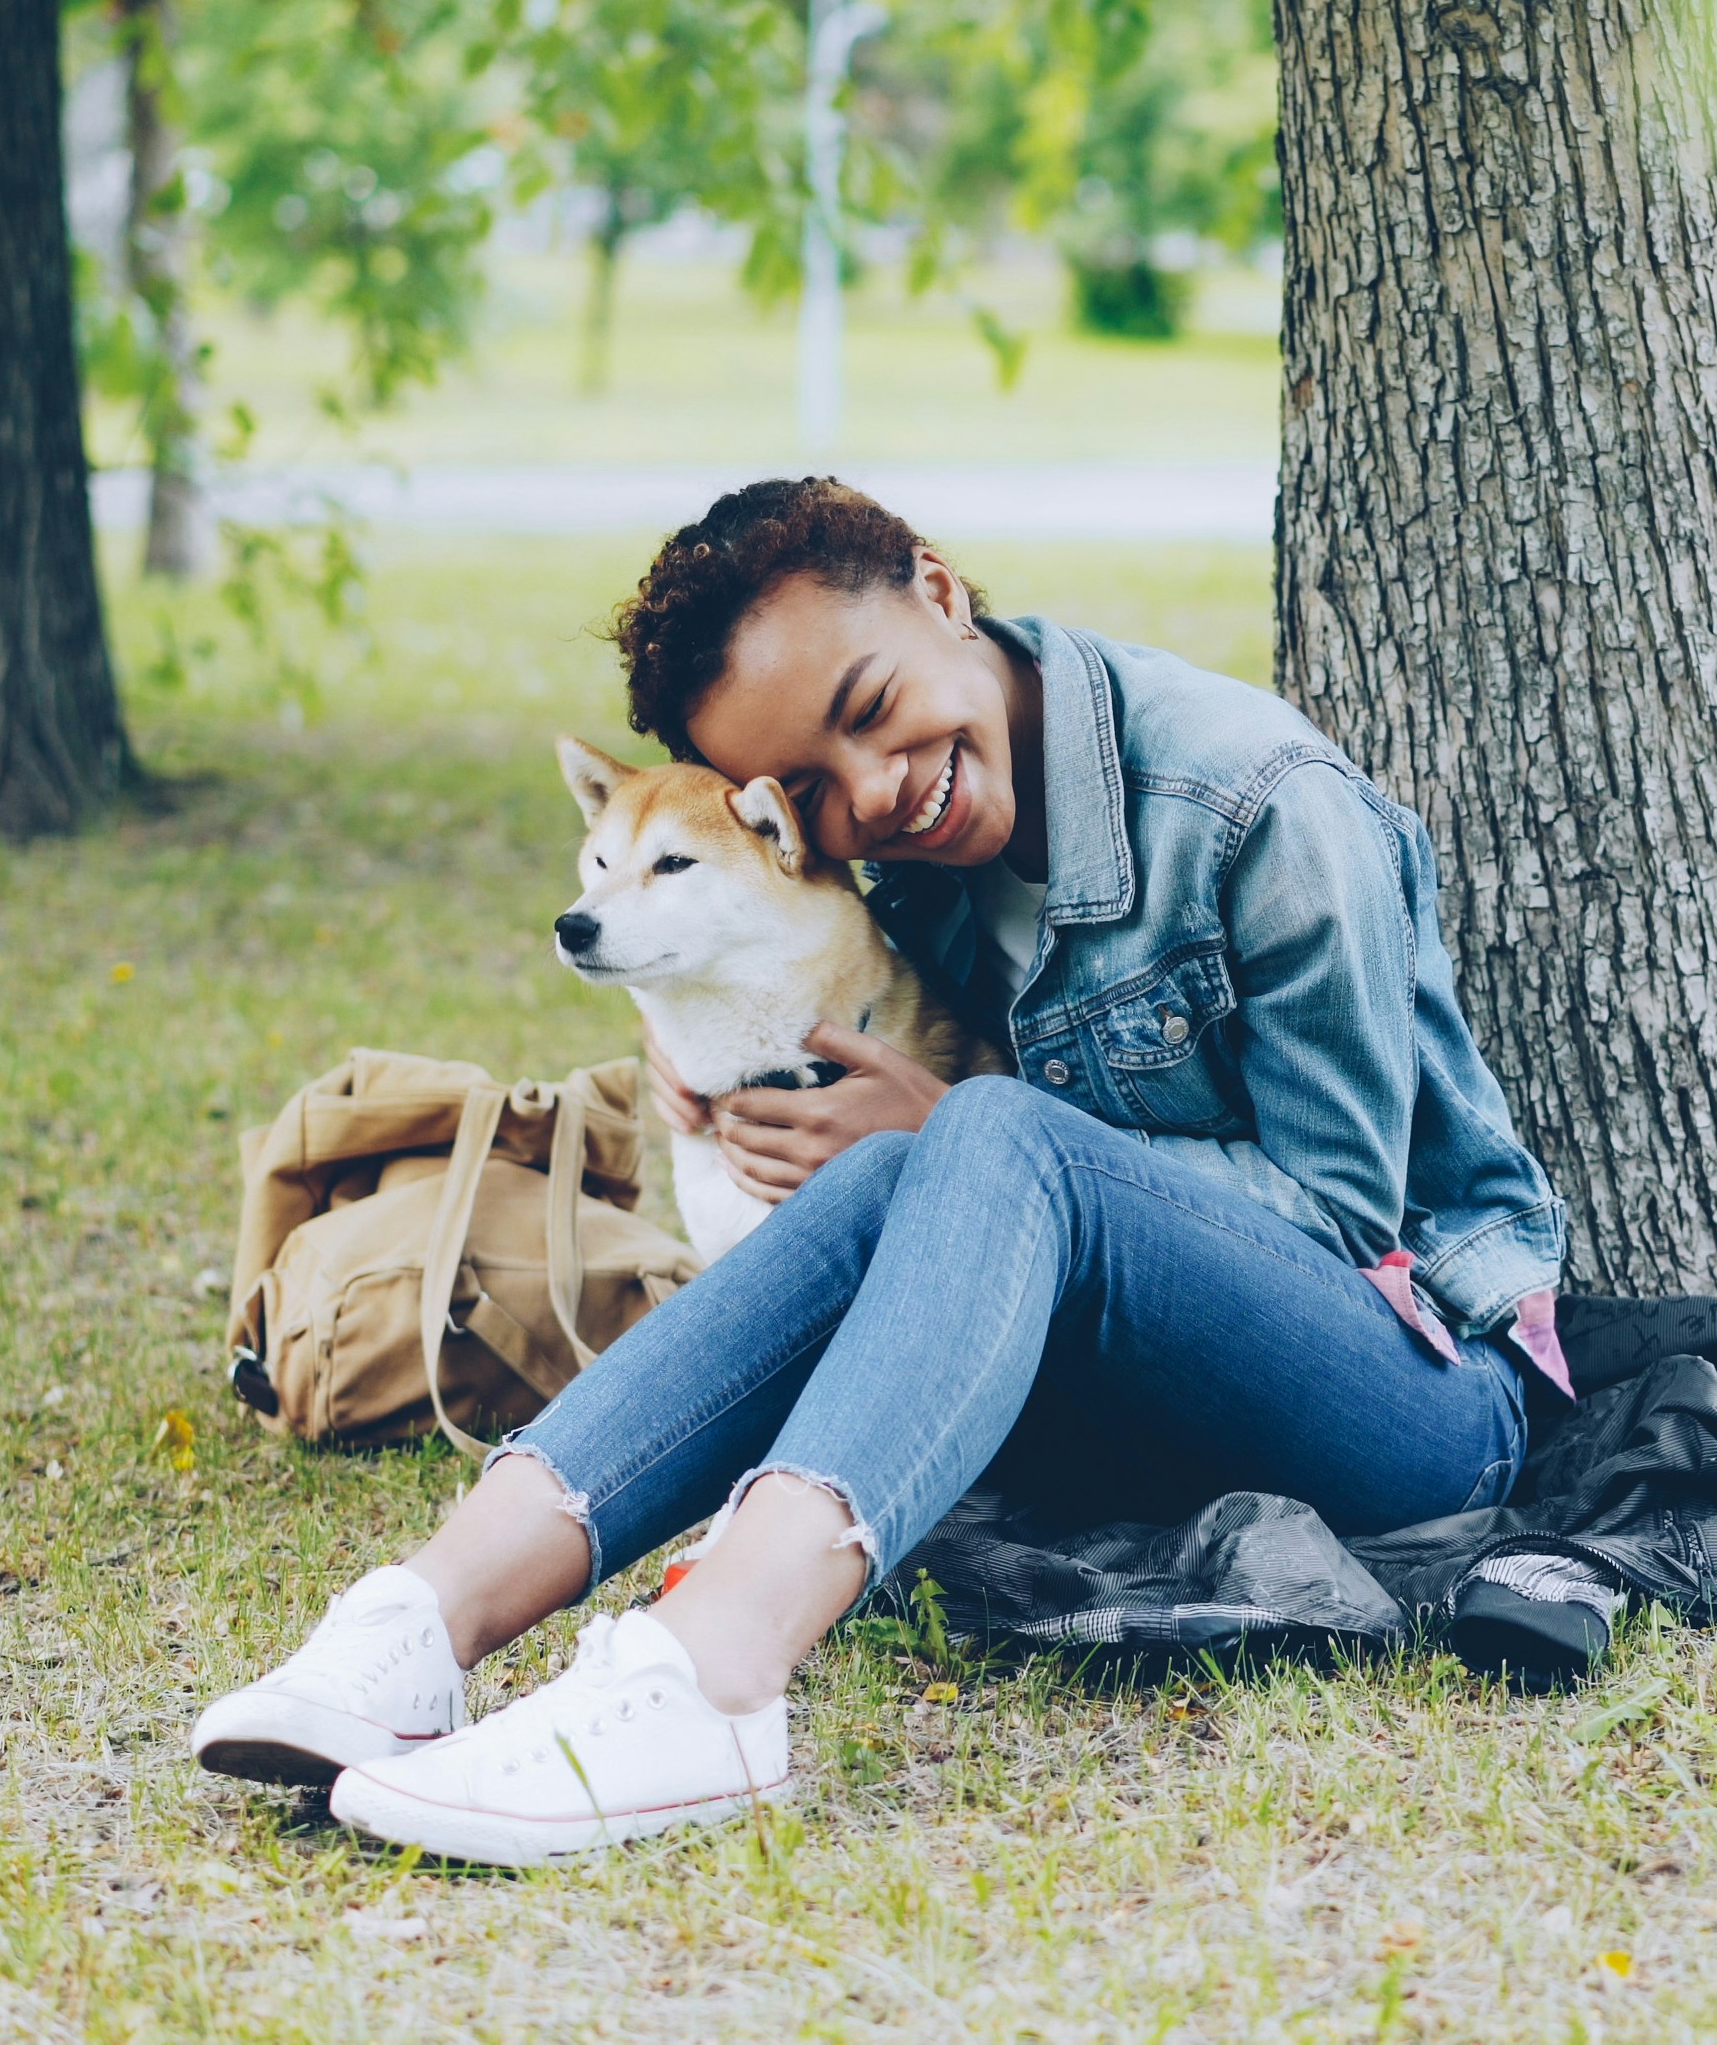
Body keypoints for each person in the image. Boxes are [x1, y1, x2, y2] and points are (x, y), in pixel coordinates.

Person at [186, 476, 1575, 1865]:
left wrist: (953, 1121)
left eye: (866, 707)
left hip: (1424, 1392)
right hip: (1135, 1395)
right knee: (896, 1168)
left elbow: (1350, 1222)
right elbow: (808, 981)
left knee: (975, 1132)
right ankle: (423, 1622)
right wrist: (732, 1074)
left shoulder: (1260, 806)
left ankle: (715, 1673)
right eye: (813, 789)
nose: (877, 791)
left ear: (939, 591)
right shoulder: (892, 850)